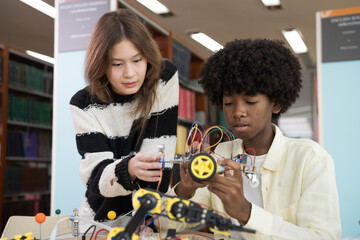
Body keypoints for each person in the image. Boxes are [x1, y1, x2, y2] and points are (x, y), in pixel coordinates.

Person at [168, 39, 341, 239]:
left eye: (250, 102)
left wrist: (246, 212)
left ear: (276, 104)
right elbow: (166, 226)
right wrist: (184, 190)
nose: (238, 112)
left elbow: (324, 237)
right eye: (229, 102)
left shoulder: (309, 159)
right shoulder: (220, 155)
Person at [69, 8, 179, 225]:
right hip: (99, 220)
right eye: (117, 64)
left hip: (147, 218)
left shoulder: (163, 79)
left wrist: (146, 224)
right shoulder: (83, 104)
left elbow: (159, 168)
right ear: (101, 64)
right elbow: (95, 177)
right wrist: (128, 168)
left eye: (137, 60)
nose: (130, 73)